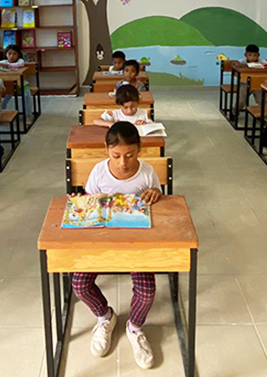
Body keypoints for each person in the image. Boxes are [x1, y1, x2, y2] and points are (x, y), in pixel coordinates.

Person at [72, 122, 162, 369]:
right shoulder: (99, 172)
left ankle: (134, 327)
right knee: (79, 283)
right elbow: (88, 202)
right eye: (116, 156)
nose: (123, 162)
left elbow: (159, 200)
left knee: (147, 291)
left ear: (140, 149)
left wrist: (155, 192)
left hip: (136, 243)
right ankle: (105, 317)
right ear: (106, 150)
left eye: (130, 154)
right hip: (103, 241)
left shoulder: (146, 173)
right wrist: (82, 202)